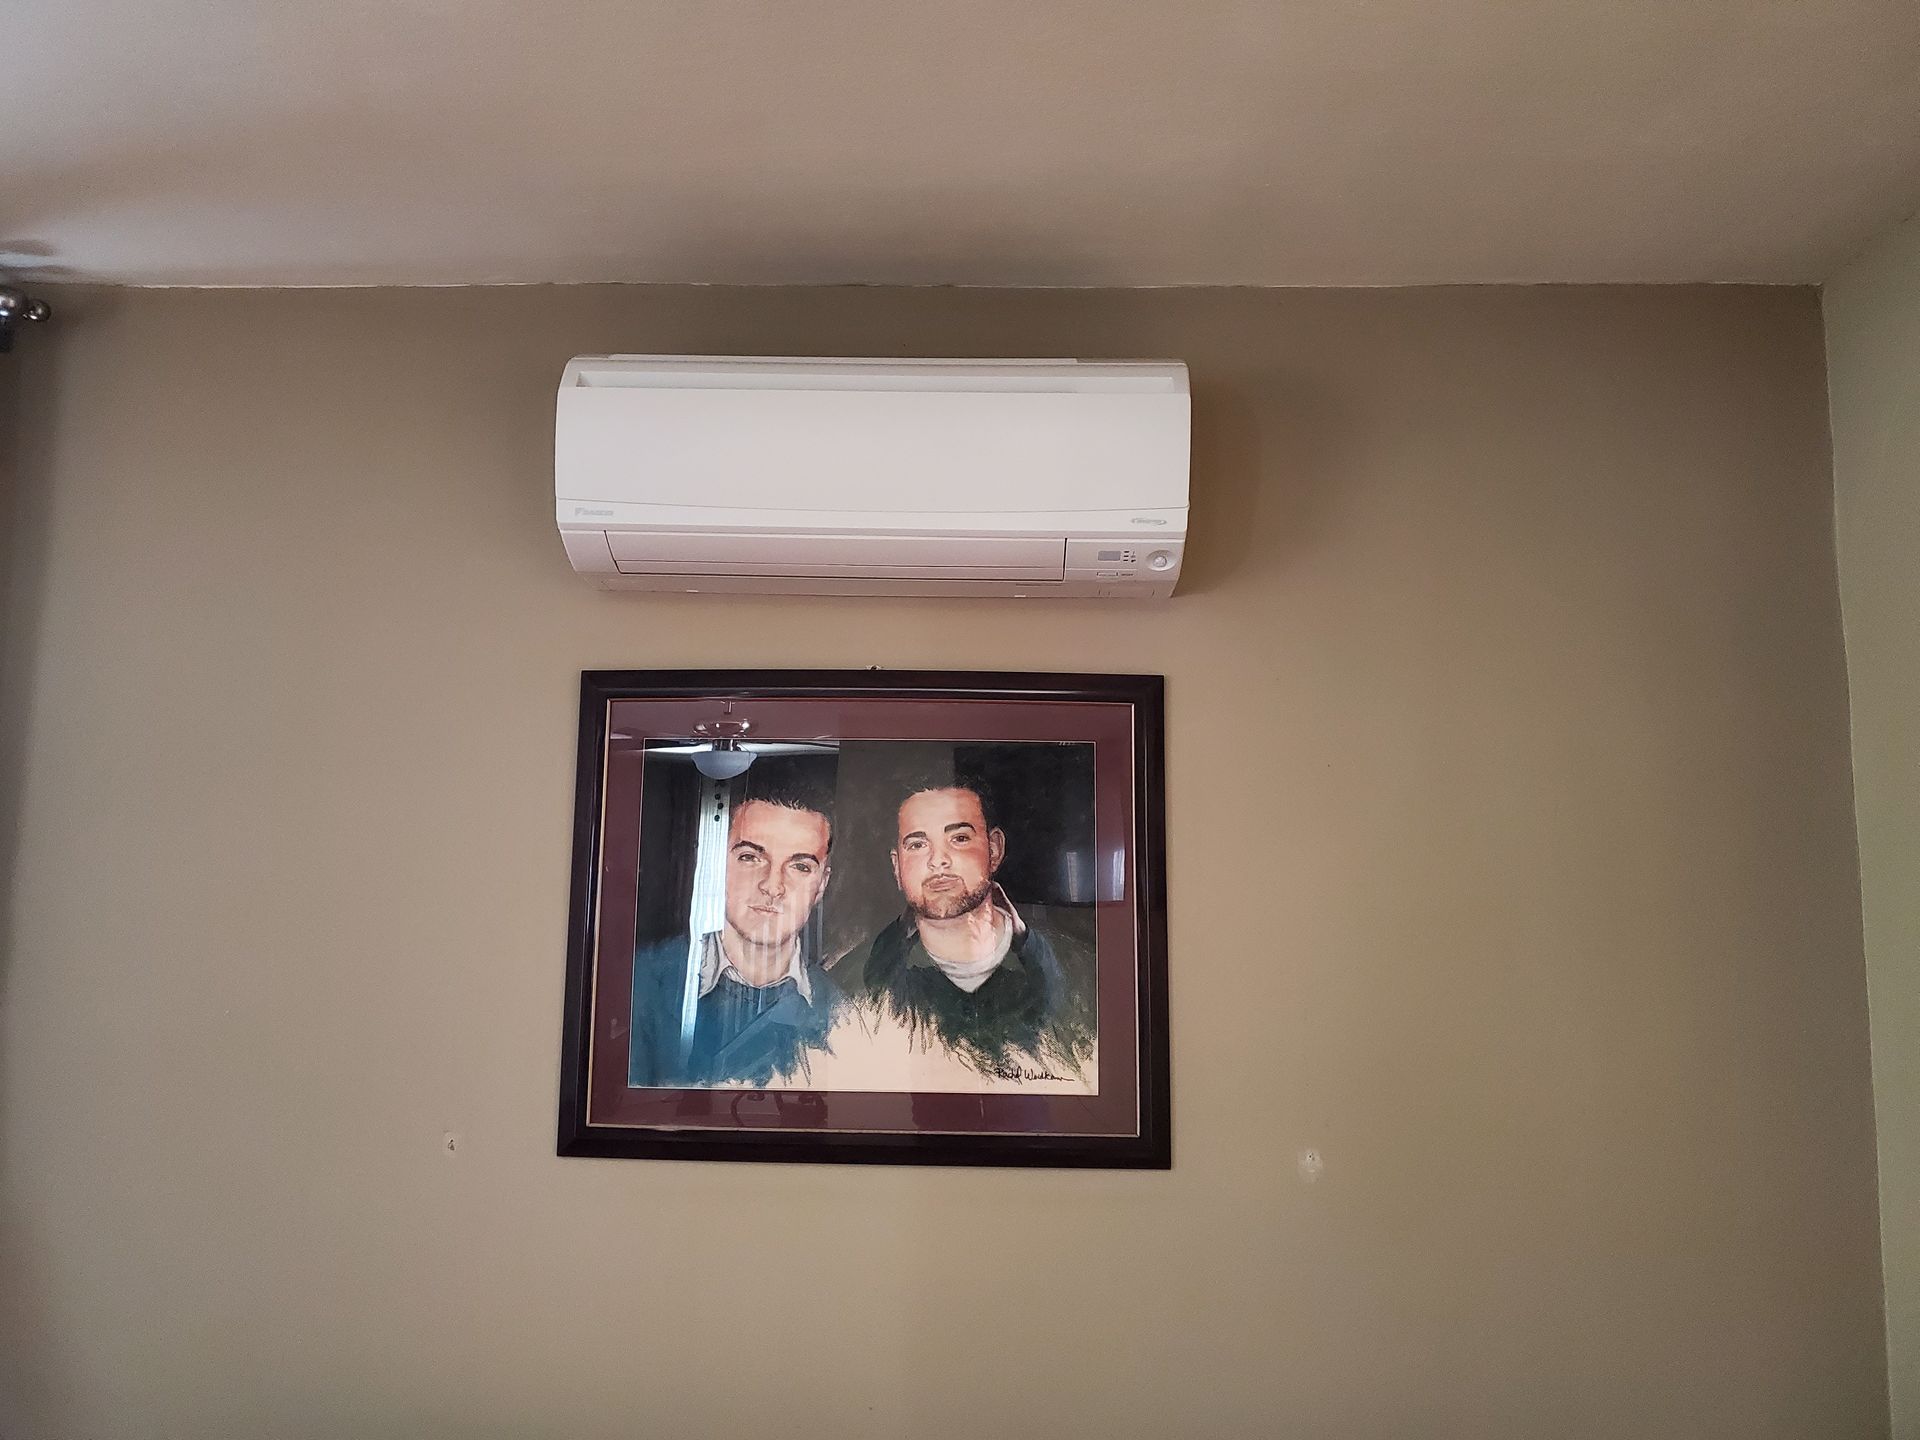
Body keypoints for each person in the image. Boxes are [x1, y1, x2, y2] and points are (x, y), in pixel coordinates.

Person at [836, 768, 1095, 1079]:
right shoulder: (848, 985)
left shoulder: (1082, 972)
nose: (938, 860)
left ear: (994, 850)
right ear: (897, 865)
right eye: (918, 845)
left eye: (959, 838)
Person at [628, 770, 842, 1087]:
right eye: (750, 857)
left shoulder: (845, 1011)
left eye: (800, 866)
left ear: (821, 885)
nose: (773, 886)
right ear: (716, 862)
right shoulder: (639, 983)